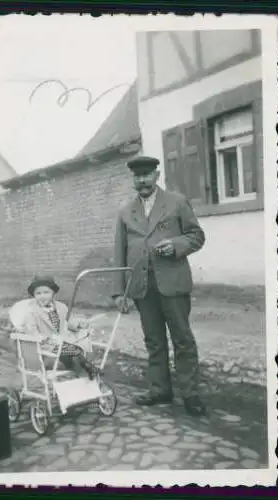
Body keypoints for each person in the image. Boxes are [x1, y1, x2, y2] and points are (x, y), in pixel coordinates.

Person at [113, 156, 206, 417]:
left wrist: (176, 246)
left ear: (156, 174)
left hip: (172, 284)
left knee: (183, 339)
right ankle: (160, 390)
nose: (141, 180)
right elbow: (119, 252)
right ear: (133, 179)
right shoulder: (125, 211)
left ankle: (191, 395)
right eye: (137, 176)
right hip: (142, 288)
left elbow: (196, 236)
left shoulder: (176, 202)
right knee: (154, 341)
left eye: (146, 174)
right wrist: (119, 292)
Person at [23, 275, 100, 380]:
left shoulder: (60, 307)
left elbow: (67, 322)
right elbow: (31, 331)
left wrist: (78, 325)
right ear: (34, 295)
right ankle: (87, 370)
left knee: (78, 349)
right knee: (74, 352)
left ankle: (82, 377)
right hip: (46, 347)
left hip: (63, 344)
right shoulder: (31, 312)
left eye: (46, 292)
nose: (42, 296)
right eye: (38, 293)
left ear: (53, 294)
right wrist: (42, 338)